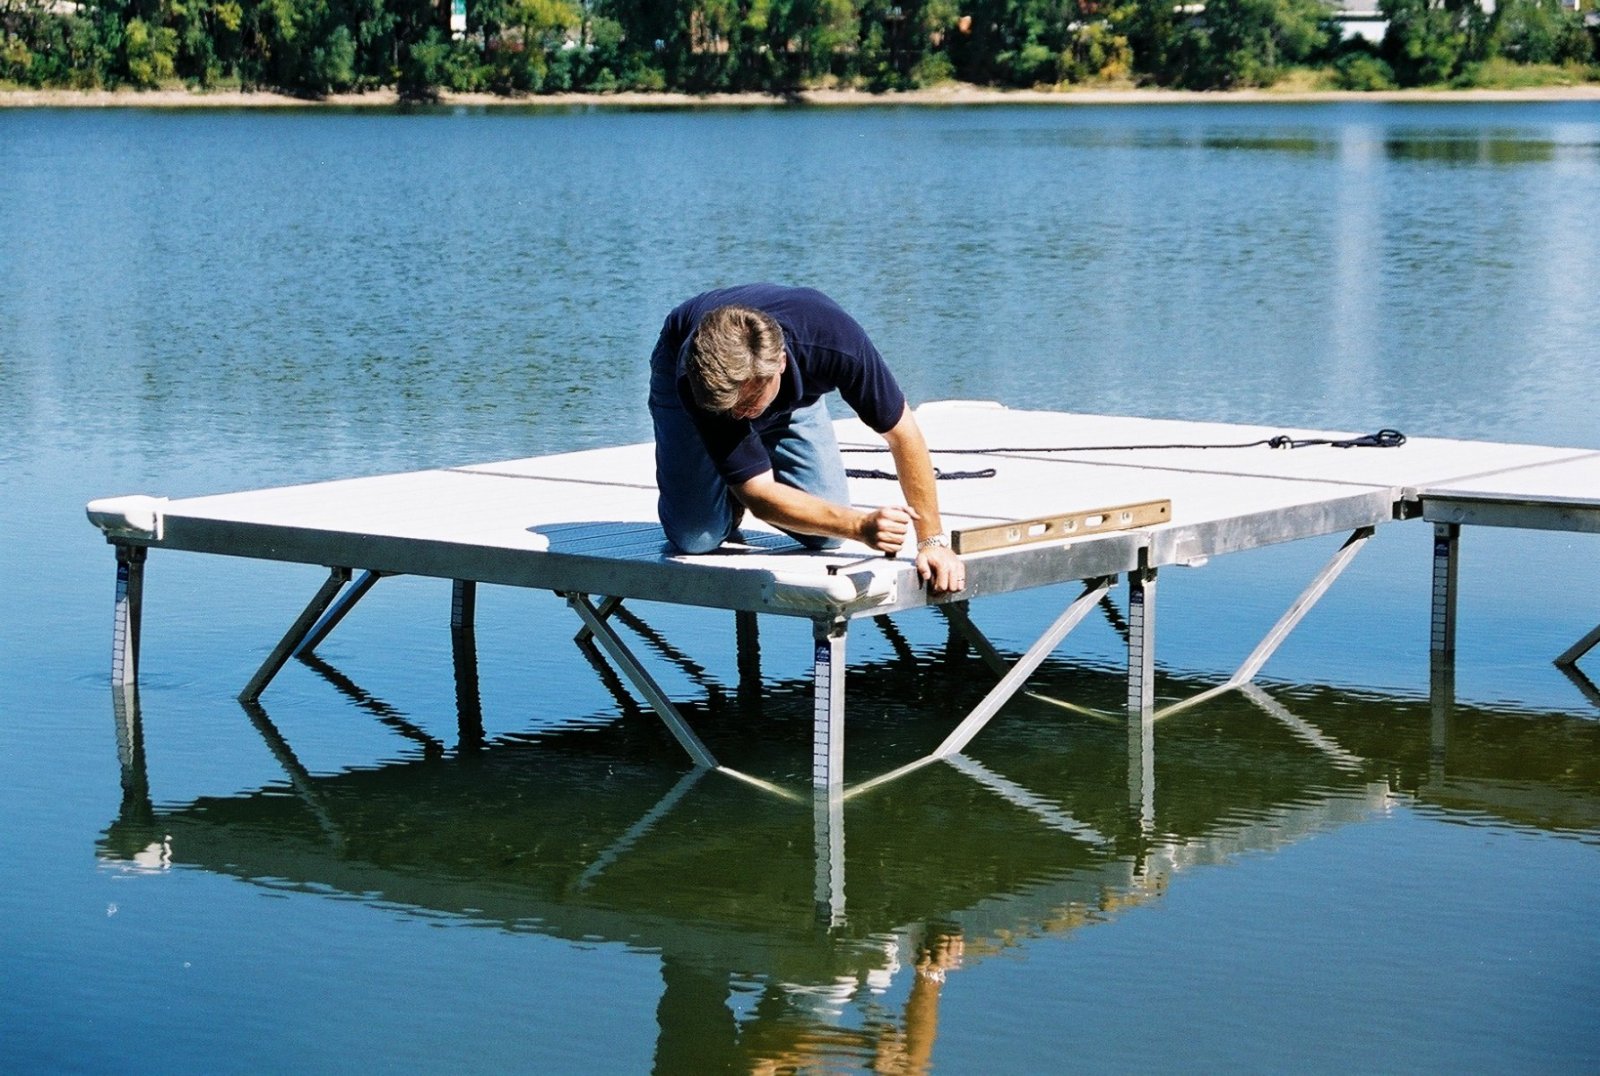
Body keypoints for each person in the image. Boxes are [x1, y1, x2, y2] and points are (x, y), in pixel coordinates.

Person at [648, 283, 965, 595]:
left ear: (781, 364)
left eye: (749, 402)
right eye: (733, 408)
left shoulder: (835, 342)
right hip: (687, 369)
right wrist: (859, 526)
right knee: (696, 537)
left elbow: (903, 434)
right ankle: (728, 484)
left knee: (827, 537)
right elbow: (759, 495)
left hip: (794, 391)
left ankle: (739, 471)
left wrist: (932, 541)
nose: (740, 415)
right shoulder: (704, 379)